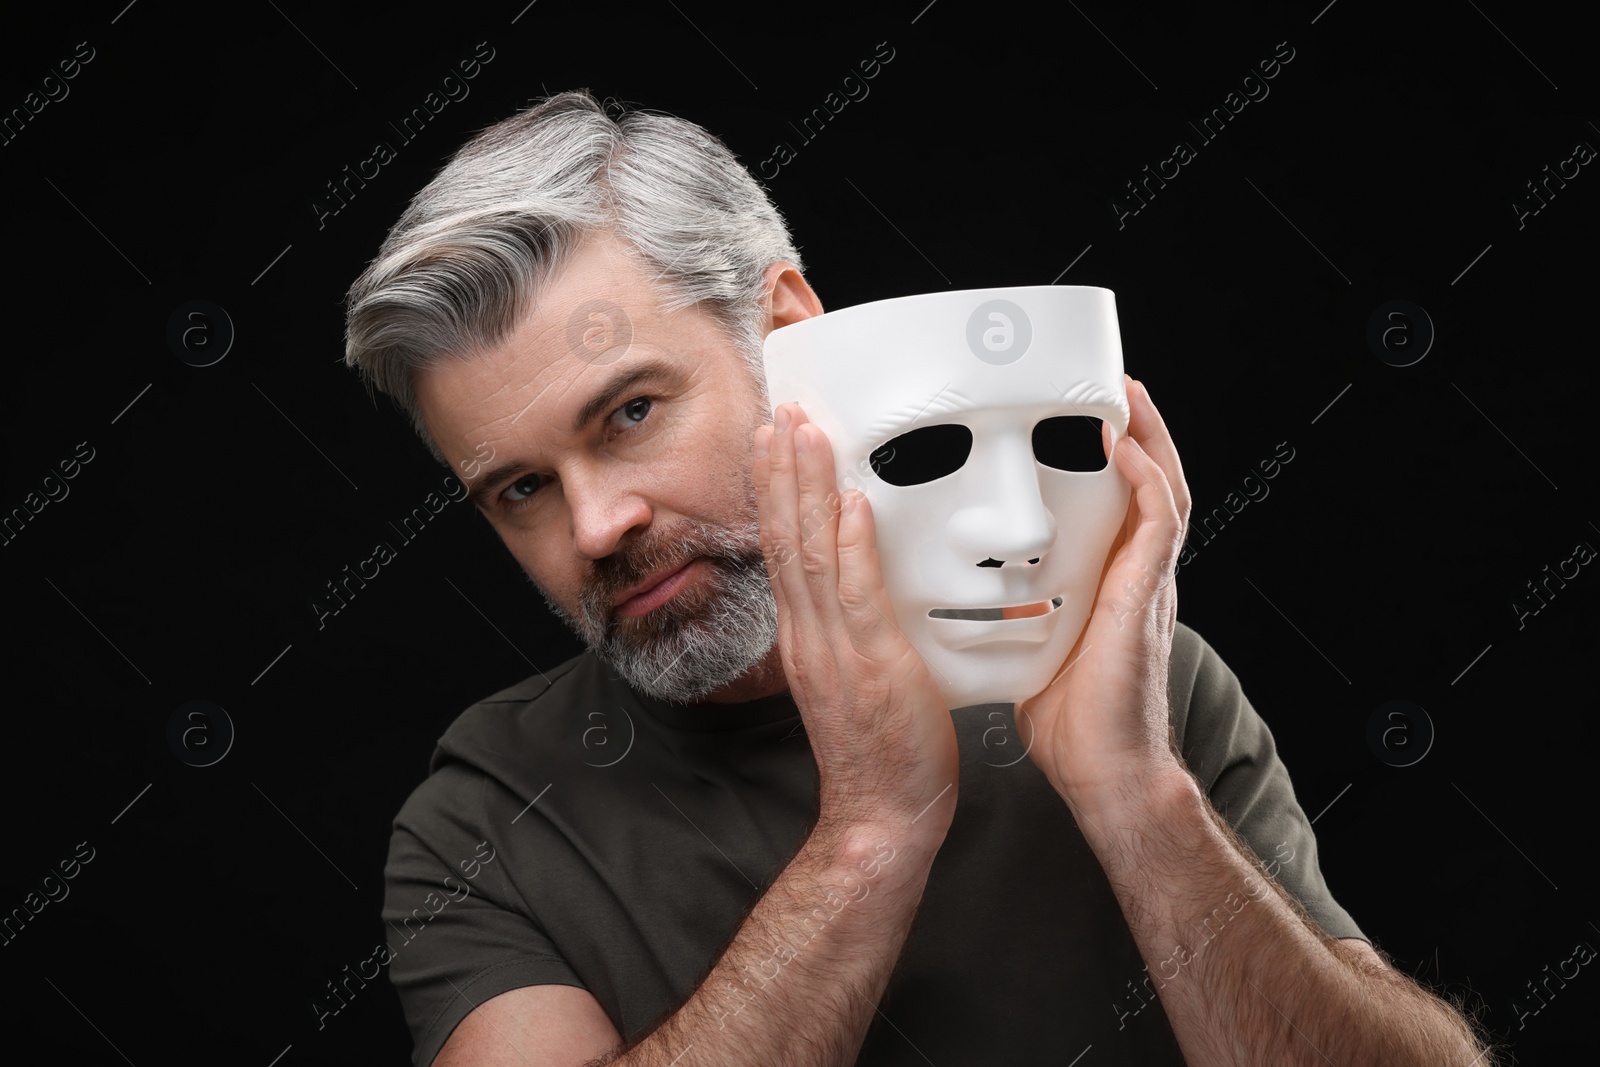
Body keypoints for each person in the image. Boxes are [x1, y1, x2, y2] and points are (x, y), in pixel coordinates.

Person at [344, 90, 1494, 1065]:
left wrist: (1137, 793)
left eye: (632, 411)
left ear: (788, 334)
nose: (596, 526)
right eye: (521, 489)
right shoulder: (484, 818)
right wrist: (873, 828)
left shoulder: (1111, 665)